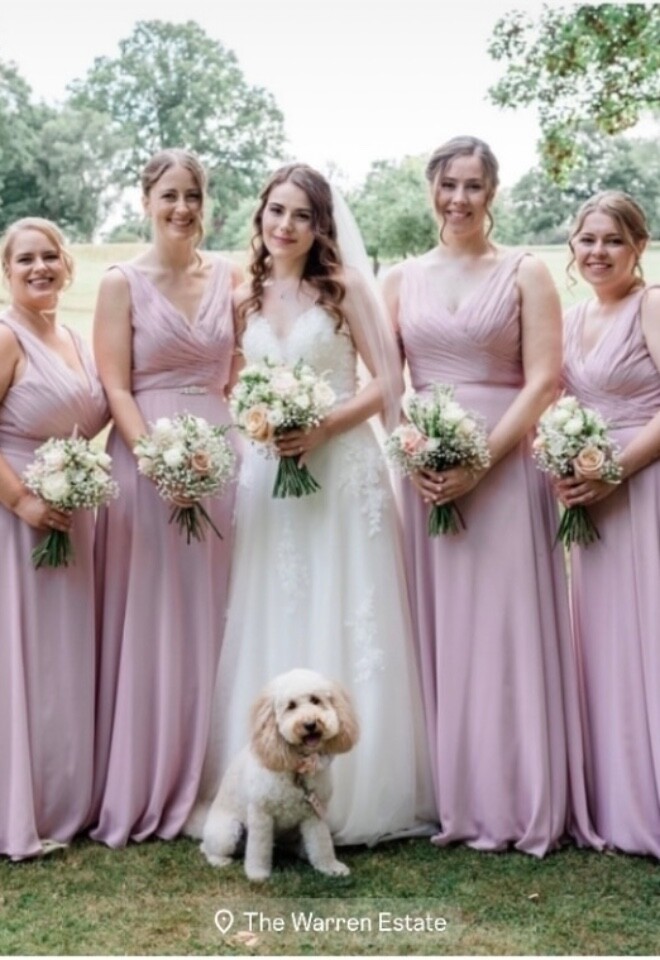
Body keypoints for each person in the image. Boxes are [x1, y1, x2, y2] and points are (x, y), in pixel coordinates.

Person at [187, 162, 436, 845]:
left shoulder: (344, 288)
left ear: (320, 225)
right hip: (273, 479)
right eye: (275, 211)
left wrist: (323, 424)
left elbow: (387, 382)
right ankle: (270, 783)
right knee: (280, 602)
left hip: (343, 469)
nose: (284, 225)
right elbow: (238, 388)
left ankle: (357, 791)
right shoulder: (246, 295)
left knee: (348, 607)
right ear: (260, 217)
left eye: (300, 214)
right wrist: (263, 425)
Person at [383, 135, 601, 857]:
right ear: (430, 190)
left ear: (493, 193)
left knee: (507, 629)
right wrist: (411, 451)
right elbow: (389, 385)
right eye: (447, 184)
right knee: (438, 631)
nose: (459, 199)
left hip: (505, 470)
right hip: (426, 472)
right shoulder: (401, 279)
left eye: (473, 186)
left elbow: (543, 380)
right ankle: (451, 794)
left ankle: (518, 796)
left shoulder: (525, 272)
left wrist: (479, 462)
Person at [90, 149, 243, 847]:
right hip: (145, 458)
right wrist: (154, 459)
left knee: (218, 611)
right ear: (146, 198)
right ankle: (148, 775)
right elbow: (116, 385)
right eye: (169, 195)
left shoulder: (231, 277)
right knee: (154, 613)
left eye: (193, 196)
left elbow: (238, 372)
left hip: (222, 459)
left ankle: (216, 774)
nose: (182, 209)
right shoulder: (121, 283)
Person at [0, 218, 109, 859]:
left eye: (50, 257)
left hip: (74, 515)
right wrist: (22, 501)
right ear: (7, 272)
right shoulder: (7, 337)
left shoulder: (73, 336)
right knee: (23, 659)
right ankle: (19, 805)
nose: (40, 268)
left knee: (63, 660)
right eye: (25, 261)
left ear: (67, 265)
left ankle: (65, 799)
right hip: (18, 519)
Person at [556, 191, 660, 857]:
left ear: (638, 248)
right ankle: (616, 799)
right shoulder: (570, 321)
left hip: (643, 486)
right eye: (587, 239)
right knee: (606, 643)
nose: (598, 252)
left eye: (612, 240)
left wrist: (612, 471)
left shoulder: (651, 305)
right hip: (590, 501)